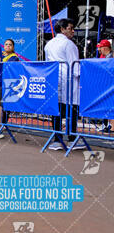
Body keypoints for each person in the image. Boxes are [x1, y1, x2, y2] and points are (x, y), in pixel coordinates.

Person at [45, 18, 82, 151]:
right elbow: (75, 66)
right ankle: (72, 140)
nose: (72, 31)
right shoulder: (69, 44)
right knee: (71, 109)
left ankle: (57, 139)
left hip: (55, 80)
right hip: (69, 80)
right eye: (70, 28)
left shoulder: (49, 44)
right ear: (62, 29)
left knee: (57, 110)